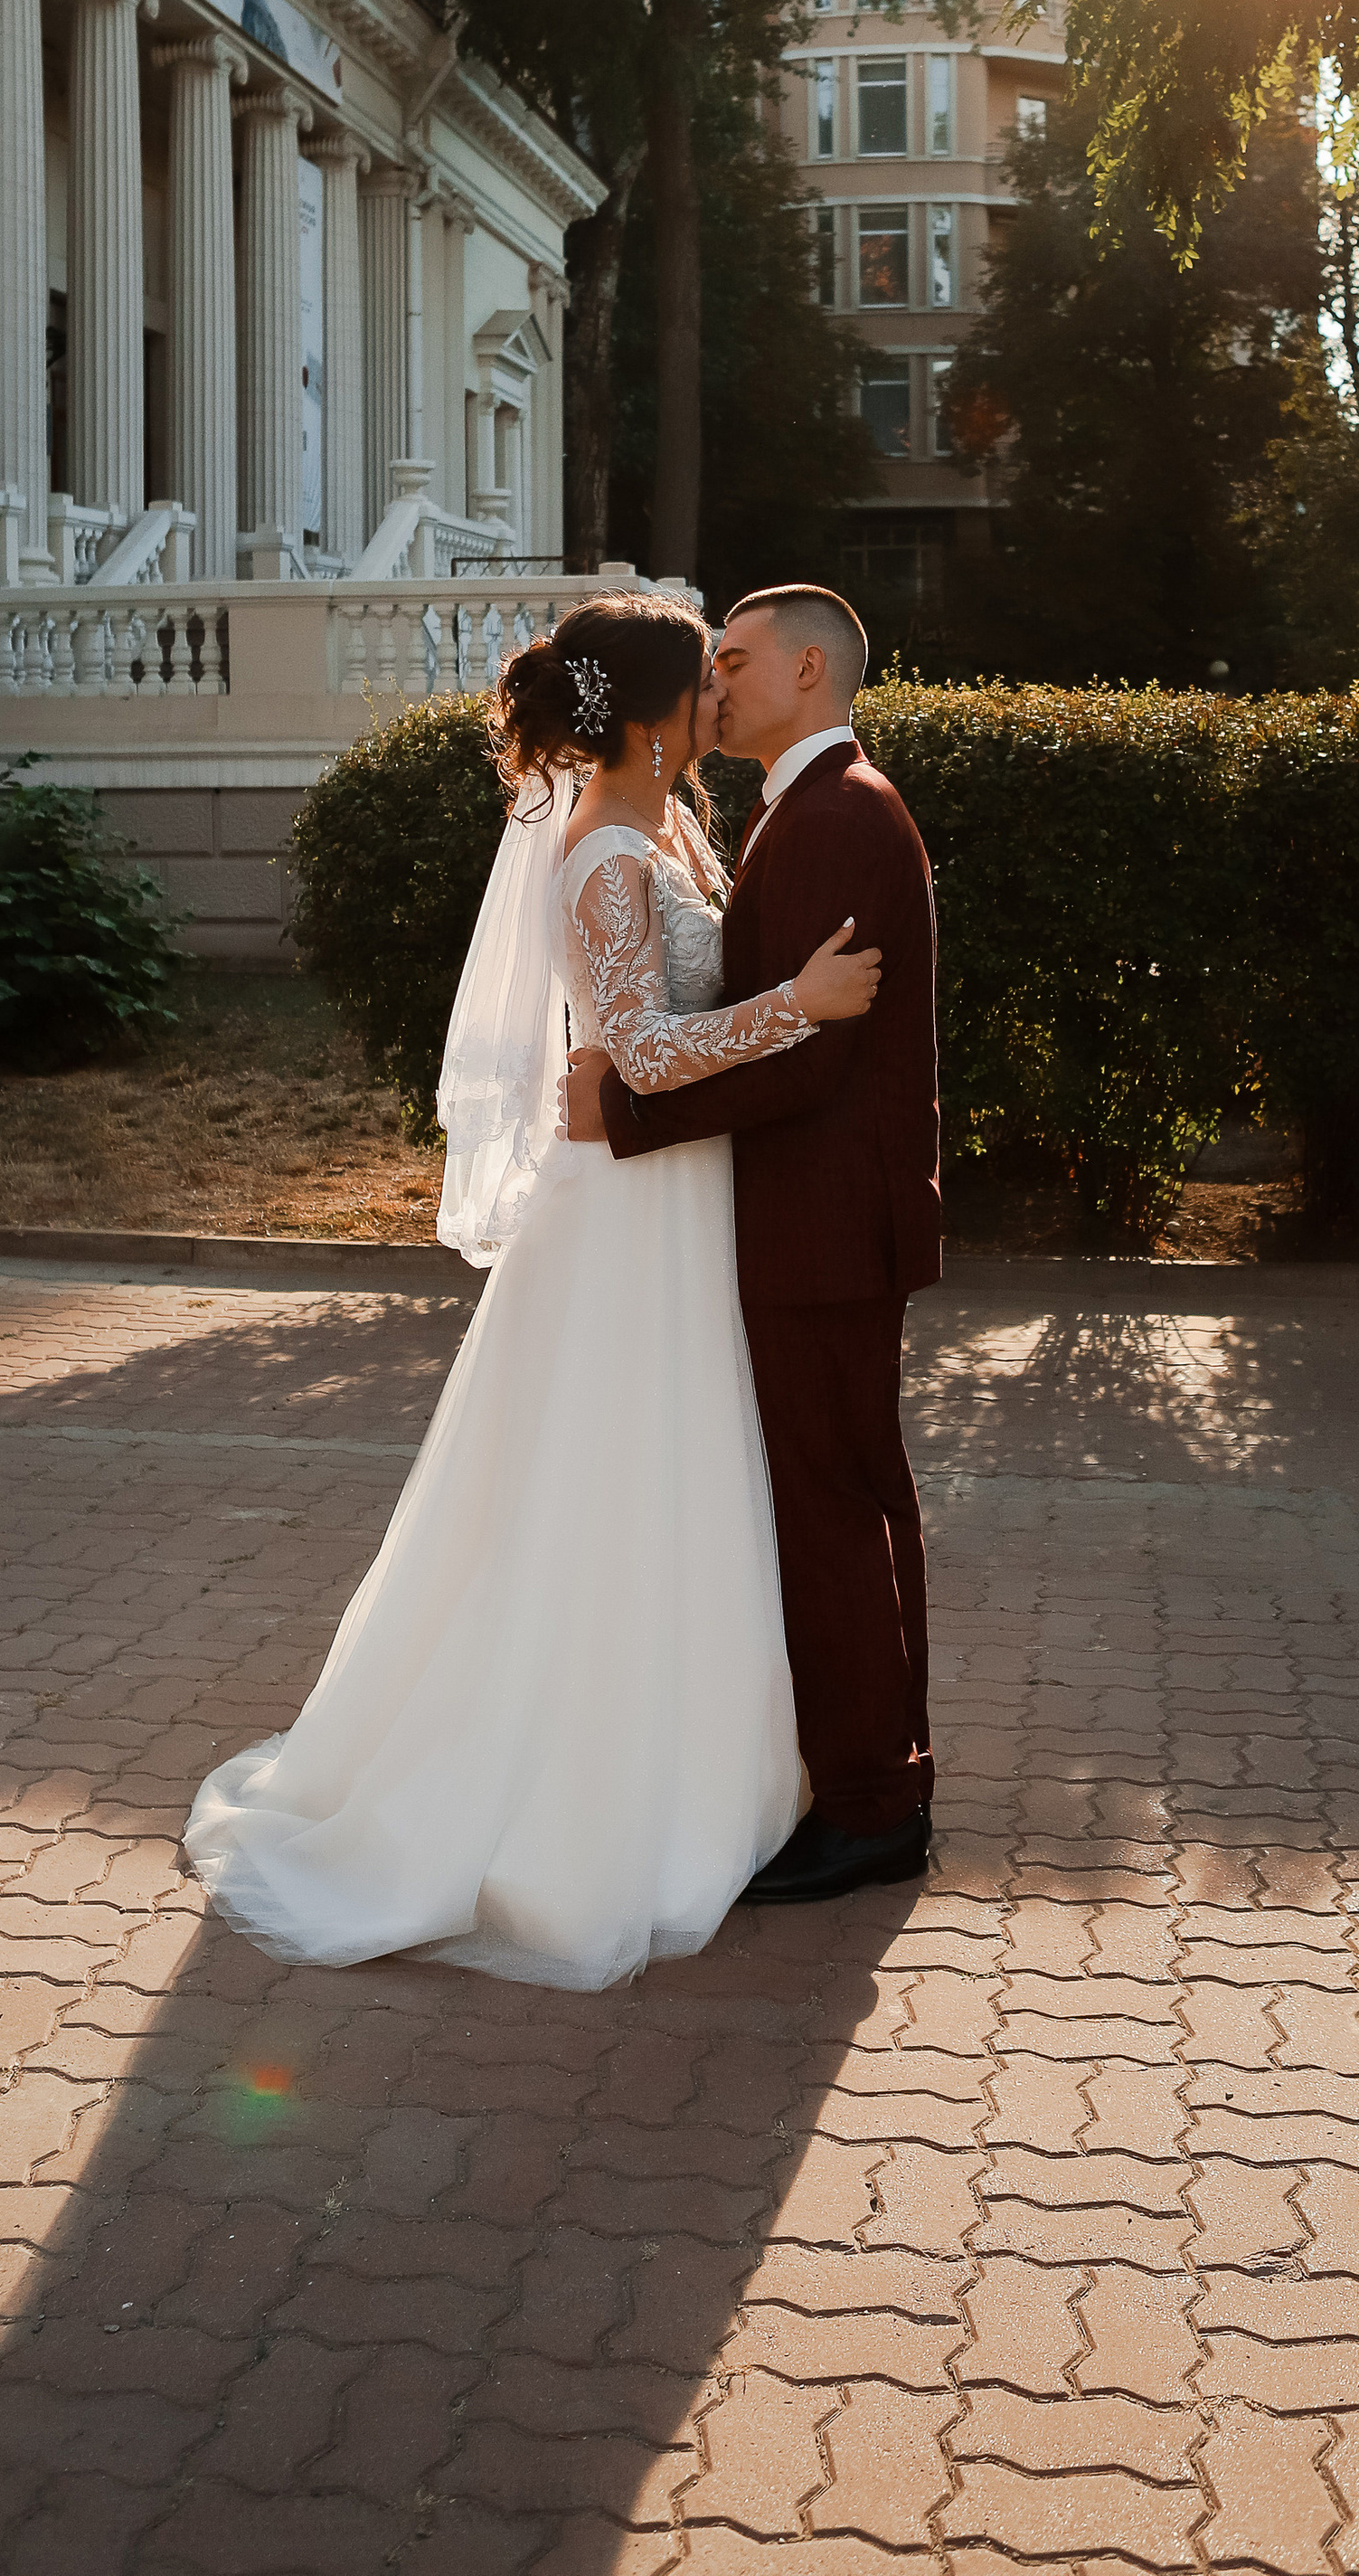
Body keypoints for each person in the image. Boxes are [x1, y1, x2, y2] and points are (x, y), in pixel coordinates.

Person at [182, 588, 881, 1989]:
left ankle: (695, 1757)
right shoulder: (601, 852)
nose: (720, 705)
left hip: (677, 1198)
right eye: (706, 684)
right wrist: (799, 1004)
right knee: (603, 1481)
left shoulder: (670, 827)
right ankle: (565, 1787)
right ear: (654, 711)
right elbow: (638, 1047)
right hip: (624, 1210)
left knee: (675, 1472)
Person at [564, 582, 942, 1907]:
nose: (715, 684)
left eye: (734, 660)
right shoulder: (798, 808)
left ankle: (872, 1807)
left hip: (825, 1221)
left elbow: (814, 1062)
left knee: (832, 1511)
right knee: (843, 1501)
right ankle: (877, 1778)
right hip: (810, 1219)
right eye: (703, 666)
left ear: (805, 671)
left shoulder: (837, 813)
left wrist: (618, 1106)